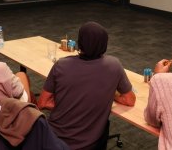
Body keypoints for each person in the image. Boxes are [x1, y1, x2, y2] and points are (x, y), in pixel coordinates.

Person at [37, 21, 136, 150]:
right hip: (89, 145)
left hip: (53, 141)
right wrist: (111, 94)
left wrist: (68, 105)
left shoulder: (61, 65)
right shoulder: (114, 65)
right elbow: (130, 99)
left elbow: (42, 103)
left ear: (80, 43)